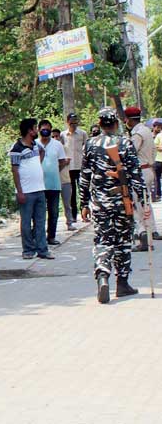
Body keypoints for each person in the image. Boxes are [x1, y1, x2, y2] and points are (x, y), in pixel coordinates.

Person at [81, 107, 150, 303]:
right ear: (116, 124)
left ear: (100, 124)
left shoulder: (89, 145)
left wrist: (83, 203)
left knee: (103, 240)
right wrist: (143, 202)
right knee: (123, 241)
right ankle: (122, 283)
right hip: (122, 201)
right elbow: (136, 175)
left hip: (100, 203)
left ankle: (103, 276)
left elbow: (85, 176)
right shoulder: (125, 143)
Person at [10, 118, 52, 260]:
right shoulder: (16, 149)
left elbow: (42, 152)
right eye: (35, 128)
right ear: (29, 131)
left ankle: (42, 249)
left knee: (40, 221)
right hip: (26, 192)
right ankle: (28, 249)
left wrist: (37, 164)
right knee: (26, 222)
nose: (37, 131)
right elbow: (15, 171)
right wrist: (19, 191)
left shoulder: (35, 145)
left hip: (39, 189)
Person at [125, 106, 161, 251]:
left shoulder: (137, 134)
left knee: (138, 205)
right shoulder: (146, 130)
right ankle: (152, 230)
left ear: (128, 120)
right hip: (148, 169)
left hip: (139, 172)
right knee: (146, 203)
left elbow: (130, 153)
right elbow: (153, 151)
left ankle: (143, 236)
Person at [37, 119, 69, 246]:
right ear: (38, 130)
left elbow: (62, 162)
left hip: (54, 184)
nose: (45, 131)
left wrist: (54, 170)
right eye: (43, 129)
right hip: (38, 184)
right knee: (39, 213)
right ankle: (38, 237)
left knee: (53, 212)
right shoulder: (34, 144)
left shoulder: (57, 145)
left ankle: (51, 237)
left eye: (48, 129)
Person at [62, 113, 88, 229]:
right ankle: (73, 215)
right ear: (68, 122)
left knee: (83, 190)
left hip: (80, 166)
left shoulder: (82, 134)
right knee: (71, 192)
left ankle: (85, 212)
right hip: (69, 167)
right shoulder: (63, 135)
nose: (74, 125)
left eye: (75, 122)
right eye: (72, 123)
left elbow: (86, 148)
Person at [152, 119, 162, 198]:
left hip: (158, 160)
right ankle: (158, 193)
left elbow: (155, 146)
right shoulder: (155, 136)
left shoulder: (158, 135)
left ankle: (158, 193)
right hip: (157, 160)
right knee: (157, 179)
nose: (159, 128)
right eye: (157, 127)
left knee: (157, 178)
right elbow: (154, 147)